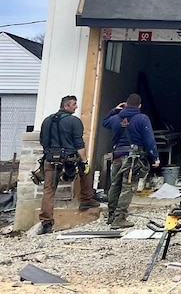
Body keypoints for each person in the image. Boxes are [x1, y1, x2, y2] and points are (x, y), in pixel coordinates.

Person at [38, 95, 102, 234]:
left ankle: (46, 222)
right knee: (86, 171)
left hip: (50, 159)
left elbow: (43, 141)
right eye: (74, 104)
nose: (76, 107)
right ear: (66, 106)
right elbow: (79, 144)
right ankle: (86, 199)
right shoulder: (74, 121)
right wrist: (84, 161)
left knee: (48, 189)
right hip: (69, 159)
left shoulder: (47, 120)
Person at [102, 93, 160, 229]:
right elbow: (149, 139)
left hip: (116, 155)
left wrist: (115, 110)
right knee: (128, 187)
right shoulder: (142, 118)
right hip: (133, 157)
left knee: (115, 185)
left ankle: (111, 215)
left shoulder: (115, 118)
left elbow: (104, 122)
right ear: (139, 105)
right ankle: (120, 218)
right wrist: (155, 157)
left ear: (126, 104)